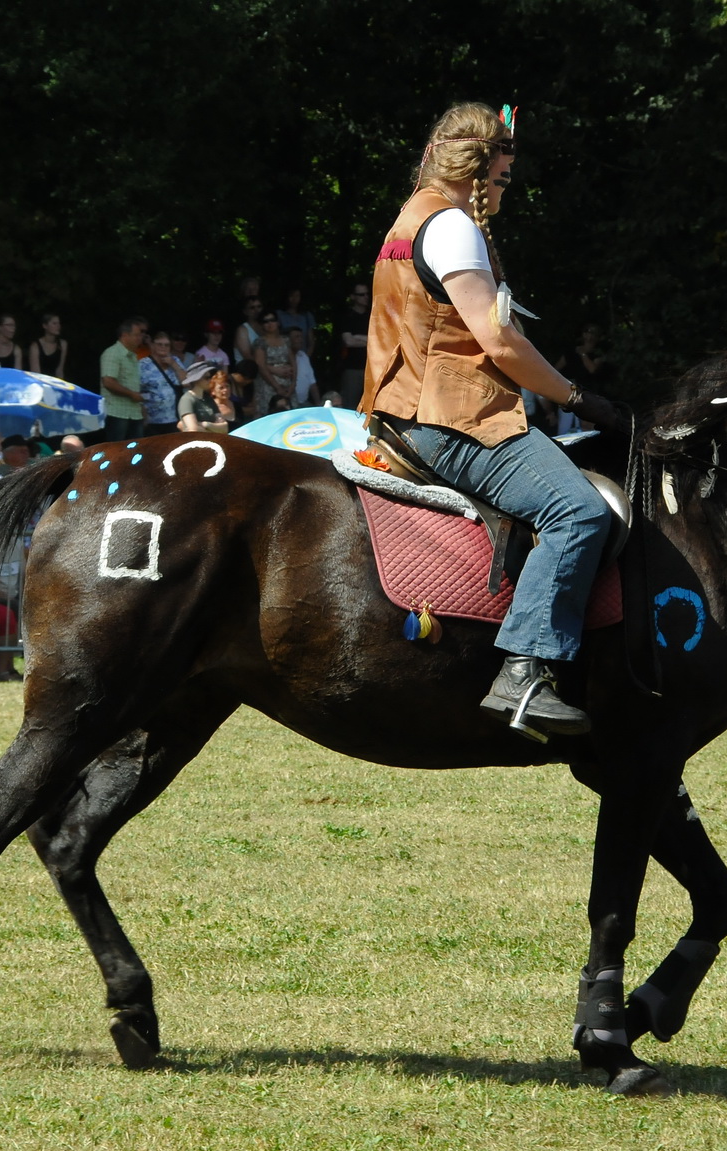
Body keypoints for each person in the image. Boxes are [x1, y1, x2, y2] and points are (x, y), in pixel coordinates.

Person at [362, 101, 620, 734]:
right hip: (449, 415)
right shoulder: (452, 227)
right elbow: (499, 344)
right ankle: (525, 671)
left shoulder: (408, 219)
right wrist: (581, 399)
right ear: (476, 169)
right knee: (578, 509)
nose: (507, 184)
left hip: (398, 408)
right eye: (502, 172)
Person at [99, 317, 149, 441]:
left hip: (134, 413)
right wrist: (132, 394)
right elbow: (108, 382)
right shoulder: (112, 353)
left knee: (136, 452)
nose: (140, 338)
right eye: (136, 335)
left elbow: (134, 385)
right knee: (116, 453)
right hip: (116, 413)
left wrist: (141, 406)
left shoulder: (132, 356)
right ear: (125, 335)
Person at [250, 309, 293, 411]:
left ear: (278, 322)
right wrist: (277, 387)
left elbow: (293, 362)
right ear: (262, 325)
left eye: (272, 320)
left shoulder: (286, 340)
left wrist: (293, 384)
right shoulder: (260, 342)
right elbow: (260, 365)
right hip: (268, 385)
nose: (270, 323)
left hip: (288, 384)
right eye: (265, 321)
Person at [176, 361, 235, 433]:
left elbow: (224, 428)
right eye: (206, 378)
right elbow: (193, 430)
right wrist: (215, 430)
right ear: (196, 380)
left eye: (210, 377)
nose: (210, 380)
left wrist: (206, 425)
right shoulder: (187, 400)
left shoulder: (208, 398)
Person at [139, 337, 181, 435]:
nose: (163, 347)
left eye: (167, 345)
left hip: (174, 418)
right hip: (152, 420)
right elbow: (136, 389)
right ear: (153, 345)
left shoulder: (175, 360)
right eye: (160, 344)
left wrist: (174, 364)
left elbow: (186, 382)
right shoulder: (143, 364)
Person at [337, 283, 370, 407]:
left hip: (371, 368)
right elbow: (348, 341)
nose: (366, 297)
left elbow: (380, 340)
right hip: (352, 368)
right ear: (353, 297)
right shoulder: (347, 317)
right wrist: (369, 340)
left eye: (367, 294)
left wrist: (357, 337)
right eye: (361, 294)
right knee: (350, 404)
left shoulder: (373, 315)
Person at [275, 288, 316, 357]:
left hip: (302, 355)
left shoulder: (306, 315)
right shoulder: (279, 314)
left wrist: (306, 357)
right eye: (291, 296)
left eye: (297, 296)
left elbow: (311, 341)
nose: (294, 299)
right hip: (284, 356)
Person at [288, 326, 321, 406]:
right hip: (288, 404)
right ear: (287, 339)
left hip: (303, 403)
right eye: (297, 337)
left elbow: (312, 382)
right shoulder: (282, 357)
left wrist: (318, 404)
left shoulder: (303, 356)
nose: (301, 340)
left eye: (301, 337)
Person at [28, 313, 68, 378]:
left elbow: (60, 370)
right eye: (54, 323)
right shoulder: (35, 346)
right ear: (45, 326)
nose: (58, 326)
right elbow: (36, 374)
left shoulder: (63, 344)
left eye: (59, 323)